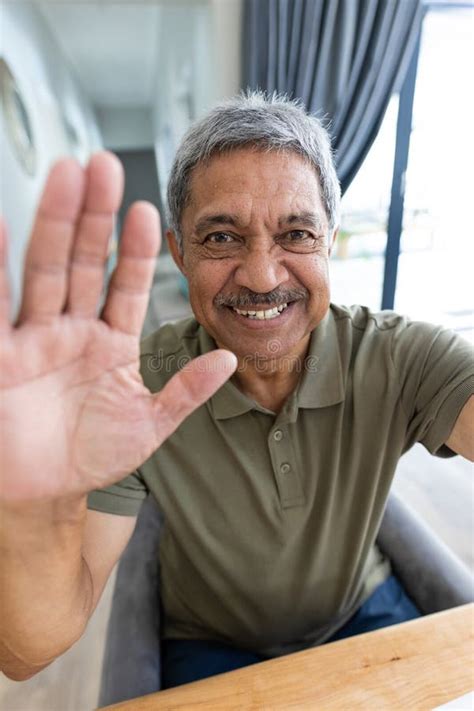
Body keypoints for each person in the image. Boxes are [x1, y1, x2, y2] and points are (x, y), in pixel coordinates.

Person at [1, 92, 472, 688]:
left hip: (362, 615)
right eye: (221, 238)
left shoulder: (401, 355)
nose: (261, 275)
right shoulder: (128, 391)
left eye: (296, 233)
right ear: (179, 253)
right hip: (211, 645)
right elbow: (26, 655)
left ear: (329, 240)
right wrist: (25, 511)